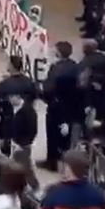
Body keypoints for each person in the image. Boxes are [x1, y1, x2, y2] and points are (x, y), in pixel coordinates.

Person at [39, 41, 82, 170]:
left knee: (52, 135)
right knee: (66, 136)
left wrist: (42, 93)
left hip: (56, 107)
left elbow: (48, 89)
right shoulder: (76, 67)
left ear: (58, 53)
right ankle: (65, 160)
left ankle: (52, 162)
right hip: (71, 107)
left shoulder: (55, 69)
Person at [0, 57, 38, 157]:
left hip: (7, 121)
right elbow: (35, 97)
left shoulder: (4, 84)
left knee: (6, 150)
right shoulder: (29, 82)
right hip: (25, 121)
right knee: (23, 150)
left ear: (11, 66)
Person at [6, 93, 39, 191]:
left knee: (24, 167)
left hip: (23, 144)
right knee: (20, 166)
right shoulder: (14, 109)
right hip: (16, 142)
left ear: (18, 97)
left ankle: (34, 186)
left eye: (11, 97)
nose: (10, 100)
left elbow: (32, 129)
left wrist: (24, 143)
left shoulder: (28, 111)